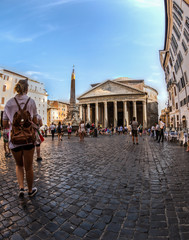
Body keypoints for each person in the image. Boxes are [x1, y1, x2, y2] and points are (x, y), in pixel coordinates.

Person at [3, 79, 38, 197]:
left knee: (19, 165)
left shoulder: (8, 103)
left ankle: (21, 188)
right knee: (28, 167)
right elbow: (35, 120)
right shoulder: (31, 102)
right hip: (28, 138)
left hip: (15, 140)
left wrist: (14, 123)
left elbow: (4, 124)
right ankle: (30, 190)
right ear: (27, 89)